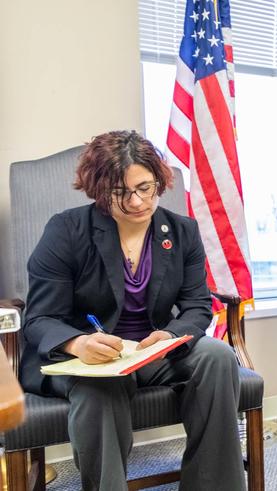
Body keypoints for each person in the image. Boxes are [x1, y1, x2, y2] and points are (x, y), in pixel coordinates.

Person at [20, 130, 245, 490]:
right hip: (87, 358)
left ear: (158, 179)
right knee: (100, 388)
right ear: (99, 189)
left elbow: (197, 305)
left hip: (151, 350)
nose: (138, 201)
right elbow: (39, 318)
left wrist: (170, 336)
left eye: (146, 187)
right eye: (121, 192)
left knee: (217, 356)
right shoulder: (66, 230)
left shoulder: (182, 231)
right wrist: (78, 344)